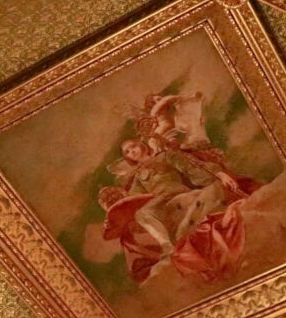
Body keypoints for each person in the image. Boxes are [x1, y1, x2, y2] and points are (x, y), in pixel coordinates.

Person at [100, 115, 259, 284]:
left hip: (177, 194)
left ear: (141, 145)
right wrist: (115, 208)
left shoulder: (166, 157)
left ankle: (174, 247)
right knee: (141, 214)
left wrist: (219, 174)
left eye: (132, 147)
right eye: (127, 152)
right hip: (160, 205)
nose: (132, 152)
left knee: (151, 214)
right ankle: (167, 246)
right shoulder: (138, 177)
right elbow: (134, 199)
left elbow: (193, 169)